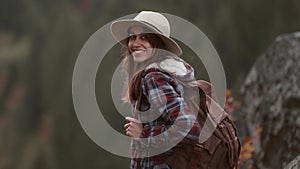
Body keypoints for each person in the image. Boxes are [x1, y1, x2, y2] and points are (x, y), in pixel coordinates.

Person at [110, 11, 200, 169]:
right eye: (133, 37)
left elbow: (188, 128)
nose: (136, 43)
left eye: (144, 37)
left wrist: (143, 134)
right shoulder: (173, 72)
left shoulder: (154, 78)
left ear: (158, 43)